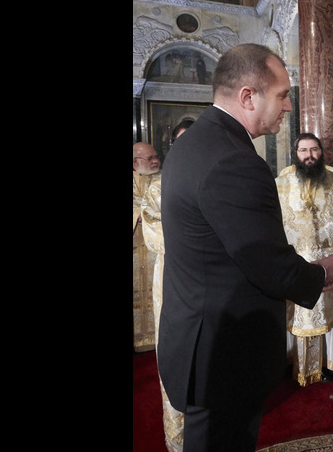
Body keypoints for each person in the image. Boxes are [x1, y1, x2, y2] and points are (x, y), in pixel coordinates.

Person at [157, 43, 333, 451]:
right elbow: (266, 263)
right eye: (282, 95)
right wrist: (321, 273)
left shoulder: (192, 143)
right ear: (248, 96)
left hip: (199, 339)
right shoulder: (233, 159)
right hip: (222, 355)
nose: (287, 107)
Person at [276, 132, 333, 385]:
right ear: (295, 154)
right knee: (296, 312)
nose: (309, 155)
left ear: (321, 152)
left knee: (329, 312)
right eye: (303, 150)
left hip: (330, 261)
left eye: (314, 150)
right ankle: (293, 361)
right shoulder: (281, 182)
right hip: (296, 262)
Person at [151, 121, 192, 452]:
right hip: (172, 276)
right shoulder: (155, 189)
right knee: (177, 351)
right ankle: (180, 436)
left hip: (209, 278)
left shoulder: (214, 178)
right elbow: (154, 236)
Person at [133, 142, 163, 352]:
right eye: (149, 158)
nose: (155, 161)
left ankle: (156, 337)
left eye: (156, 157)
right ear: (135, 162)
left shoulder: (165, 179)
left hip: (157, 248)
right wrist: (141, 215)